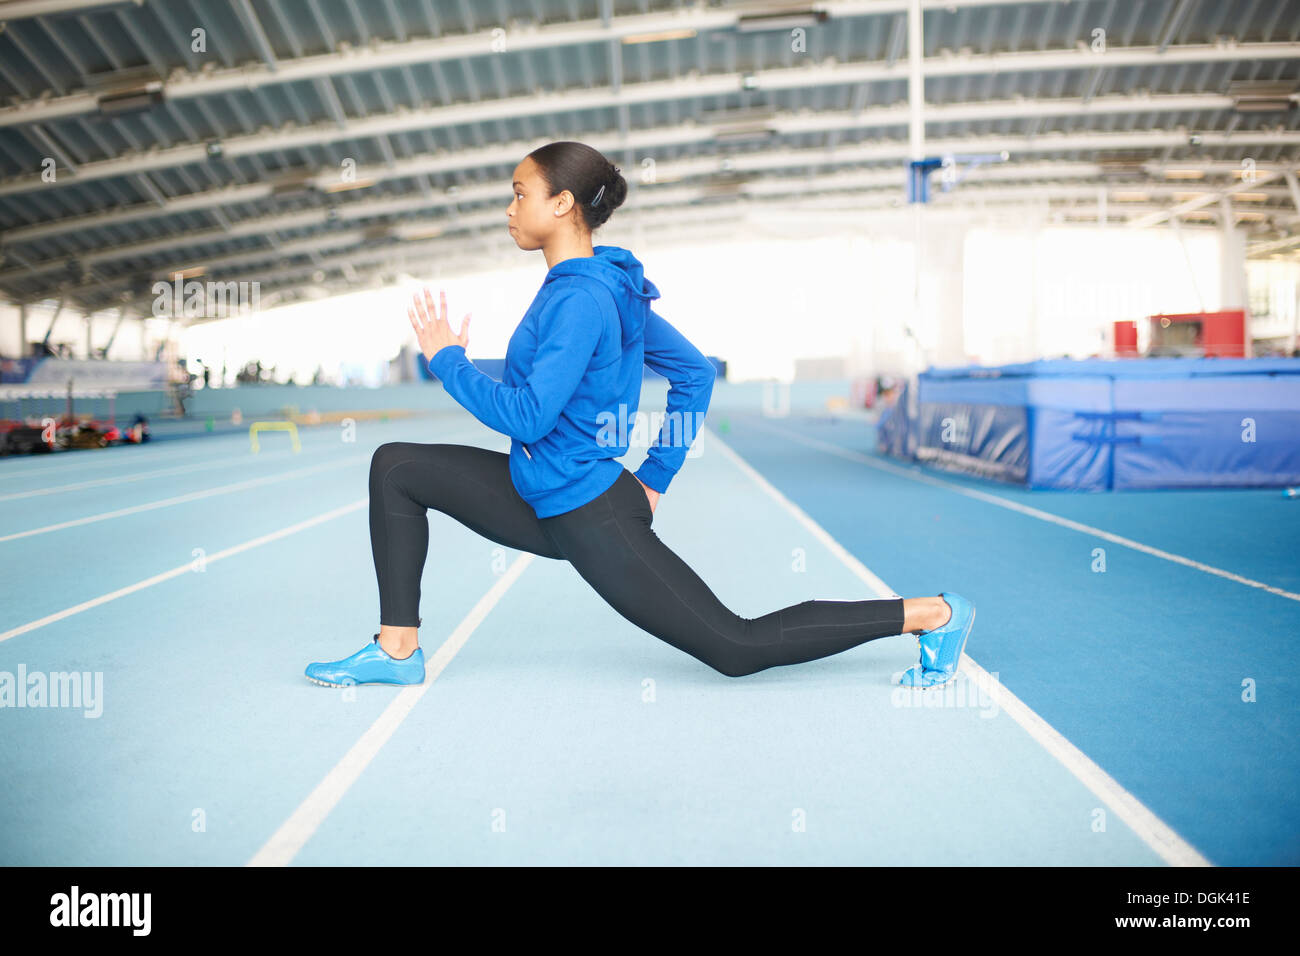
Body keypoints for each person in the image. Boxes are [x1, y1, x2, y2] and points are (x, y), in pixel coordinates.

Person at [305, 141, 974, 689]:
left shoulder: (581, 300)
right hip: (544, 492)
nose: (509, 208)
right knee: (396, 467)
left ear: (562, 204)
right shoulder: (602, 289)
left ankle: (932, 614)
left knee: (734, 647)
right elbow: (694, 373)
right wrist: (655, 476)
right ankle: (397, 649)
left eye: (519, 193)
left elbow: (531, 415)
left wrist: (448, 360)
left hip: (586, 513)